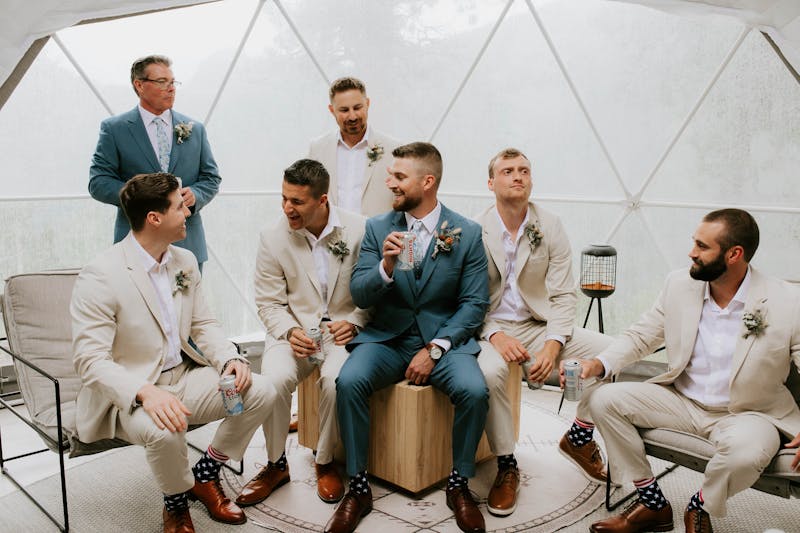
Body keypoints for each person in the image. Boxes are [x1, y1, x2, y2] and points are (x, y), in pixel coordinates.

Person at [71, 173, 274, 533]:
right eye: (180, 206)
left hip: (184, 376)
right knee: (166, 431)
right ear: (155, 218)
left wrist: (230, 358)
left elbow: (203, 325)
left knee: (260, 391)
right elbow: (90, 361)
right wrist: (146, 393)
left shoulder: (185, 261)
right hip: (131, 395)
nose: (188, 211)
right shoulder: (100, 274)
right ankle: (175, 503)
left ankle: (205, 474)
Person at [578, 209, 800, 533]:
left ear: (734, 254)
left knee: (745, 455)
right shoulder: (679, 284)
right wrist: (600, 363)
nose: (691, 252)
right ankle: (652, 504)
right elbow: (642, 335)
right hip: (682, 401)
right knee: (603, 399)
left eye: (702, 246)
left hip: (750, 413)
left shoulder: (787, 300)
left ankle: (700, 505)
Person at [325, 142, 490, 533]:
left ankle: (459, 483)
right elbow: (361, 292)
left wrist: (435, 349)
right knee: (348, 381)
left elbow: (473, 304)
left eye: (399, 177)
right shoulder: (378, 227)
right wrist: (385, 265)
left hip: (443, 341)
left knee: (475, 391)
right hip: (388, 338)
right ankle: (359, 485)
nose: (390, 182)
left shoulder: (466, 233)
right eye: (391, 175)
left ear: (427, 181)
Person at [475, 148, 614, 516]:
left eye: (524, 170)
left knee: (613, 352)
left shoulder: (549, 224)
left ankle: (580, 436)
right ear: (491, 183)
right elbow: (467, 300)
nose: (517, 176)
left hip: (538, 325)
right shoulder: (475, 229)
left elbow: (564, 294)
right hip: (491, 329)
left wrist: (553, 345)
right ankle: (507, 465)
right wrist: (495, 336)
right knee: (491, 373)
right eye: (507, 171)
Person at [235, 159, 368, 507]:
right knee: (274, 381)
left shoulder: (359, 229)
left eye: (297, 201)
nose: (287, 208)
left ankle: (324, 460)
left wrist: (354, 320)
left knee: (337, 381)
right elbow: (268, 302)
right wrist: (289, 330)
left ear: (322, 200)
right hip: (291, 331)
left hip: (341, 333)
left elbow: (374, 290)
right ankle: (276, 464)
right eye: (284, 198)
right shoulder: (272, 236)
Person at [89, 55, 221, 270]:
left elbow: (211, 178)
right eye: (162, 82)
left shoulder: (195, 129)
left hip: (187, 244)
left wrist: (195, 195)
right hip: (135, 243)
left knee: (186, 304)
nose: (171, 88)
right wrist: (140, 197)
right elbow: (98, 183)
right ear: (139, 85)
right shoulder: (115, 129)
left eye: (172, 82)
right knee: (136, 304)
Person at [309, 76, 401, 216]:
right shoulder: (317, 149)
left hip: (377, 236)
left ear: (368, 103)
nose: (352, 116)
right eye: (344, 110)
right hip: (331, 236)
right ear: (332, 110)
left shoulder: (394, 149)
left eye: (357, 108)